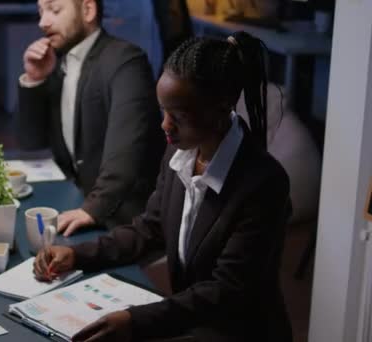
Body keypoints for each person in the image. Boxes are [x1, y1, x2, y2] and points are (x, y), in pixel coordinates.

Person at [34, 31, 293, 341]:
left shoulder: (263, 183)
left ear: (222, 107)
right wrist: (77, 255)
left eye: (179, 116)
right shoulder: (180, 152)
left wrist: (134, 319)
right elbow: (151, 228)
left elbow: (227, 290)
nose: (165, 126)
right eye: (163, 111)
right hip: (193, 320)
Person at [18, 0, 165, 236]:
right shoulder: (56, 60)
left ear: (88, 10)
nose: (43, 22)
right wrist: (34, 79)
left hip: (122, 221)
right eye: (40, 11)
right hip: (76, 199)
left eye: (54, 10)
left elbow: (128, 149)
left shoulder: (126, 60)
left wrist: (92, 210)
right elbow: (30, 141)